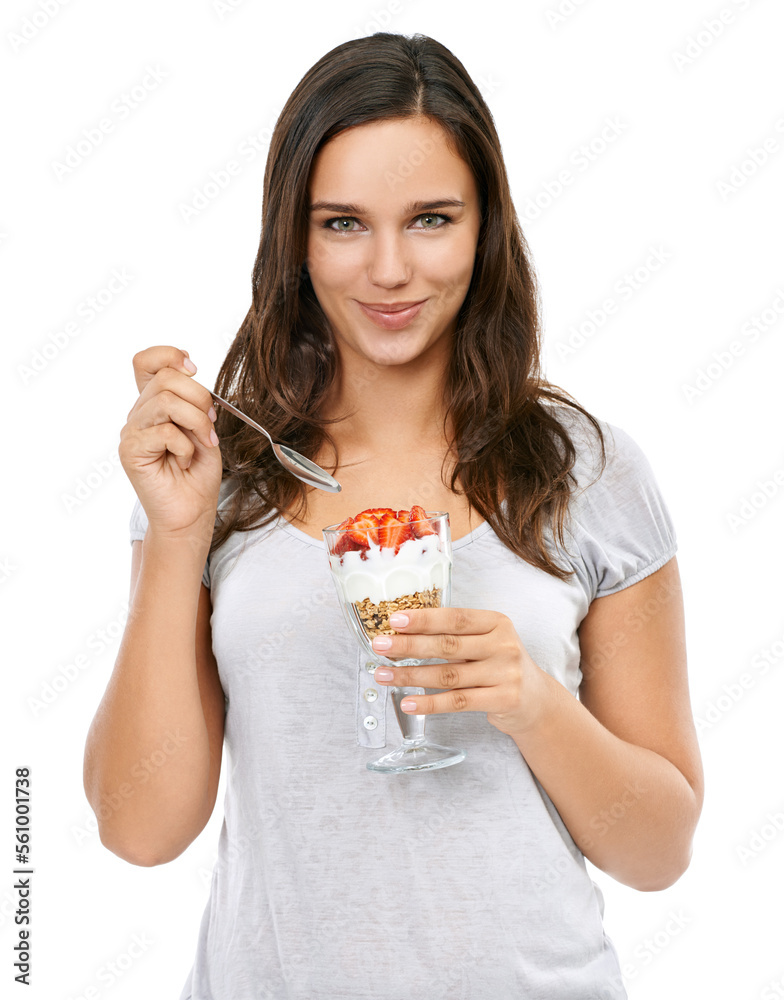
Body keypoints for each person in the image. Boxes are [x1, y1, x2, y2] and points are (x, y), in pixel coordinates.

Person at [83, 31, 704, 1000]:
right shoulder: (221, 481)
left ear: (484, 227)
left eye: (429, 219)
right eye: (341, 223)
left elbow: (659, 848)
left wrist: (531, 703)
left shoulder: (588, 471)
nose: (387, 269)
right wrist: (174, 535)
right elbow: (138, 826)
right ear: (293, 234)